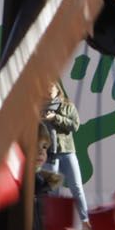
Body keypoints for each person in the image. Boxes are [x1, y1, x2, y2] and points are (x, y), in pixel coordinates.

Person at [42, 82, 89, 221]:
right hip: (50, 154)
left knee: (77, 187)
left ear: (57, 89)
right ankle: (55, 225)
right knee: (53, 192)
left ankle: (85, 221)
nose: (48, 92)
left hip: (67, 151)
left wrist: (55, 118)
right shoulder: (40, 107)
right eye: (46, 89)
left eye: (51, 88)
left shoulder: (68, 106)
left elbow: (75, 126)